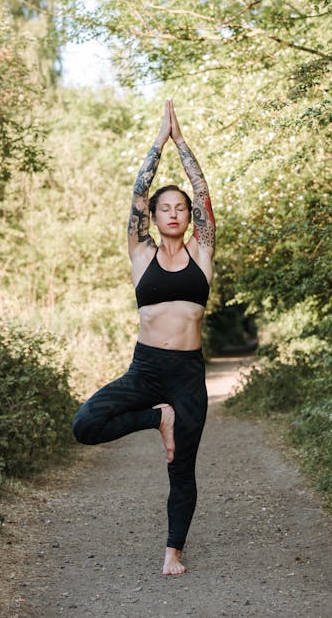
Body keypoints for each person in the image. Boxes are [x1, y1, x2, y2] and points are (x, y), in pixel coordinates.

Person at [72, 98, 215, 576]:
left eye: (181, 208)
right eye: (164, 208)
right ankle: (158, 419)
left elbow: (203, 189)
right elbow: (137, 192)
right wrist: (158, 141)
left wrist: (182, 142)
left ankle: (173, 551)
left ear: (189, 217)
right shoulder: (140, 253)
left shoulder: (202, 251)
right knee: (85, 425)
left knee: (183, 470)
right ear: (153, 217)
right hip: (146, 370)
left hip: (188, 375)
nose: (173, 213)